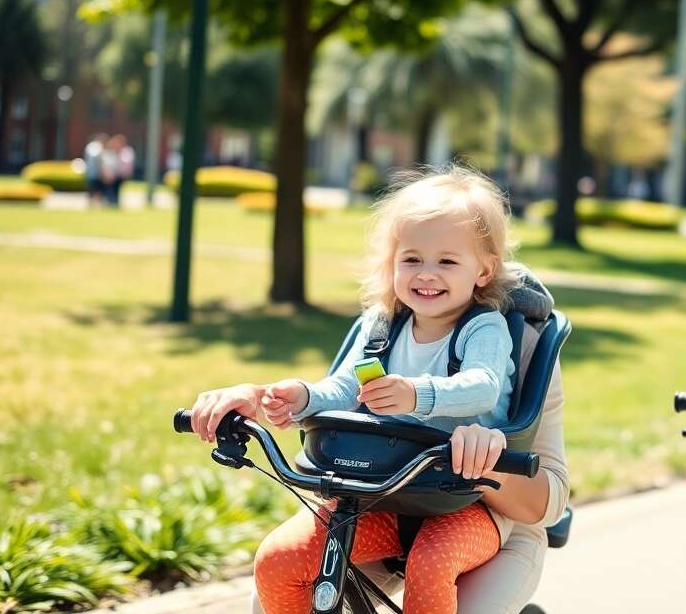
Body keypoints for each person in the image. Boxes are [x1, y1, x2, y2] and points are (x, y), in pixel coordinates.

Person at [189, 166, 552, 614]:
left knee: (432, 564)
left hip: (464, 500)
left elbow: (481, 387)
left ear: (483, 270)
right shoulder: (381, 327)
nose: (427, 274)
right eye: (412, 259)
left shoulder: (484, 328)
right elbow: (345, 387)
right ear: (392, 262)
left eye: (447, 261)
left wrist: (416, 394)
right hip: (381, 495)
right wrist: (301, 397)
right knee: (279, 560)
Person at [82, 133, 106, 208]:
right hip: (95, 173)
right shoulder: (96, 146)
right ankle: (93, 205)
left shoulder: (92, 146)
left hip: (91, 173)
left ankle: (93, 205)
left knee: (94, 191)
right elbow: (97, 160)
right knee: (95, 191)